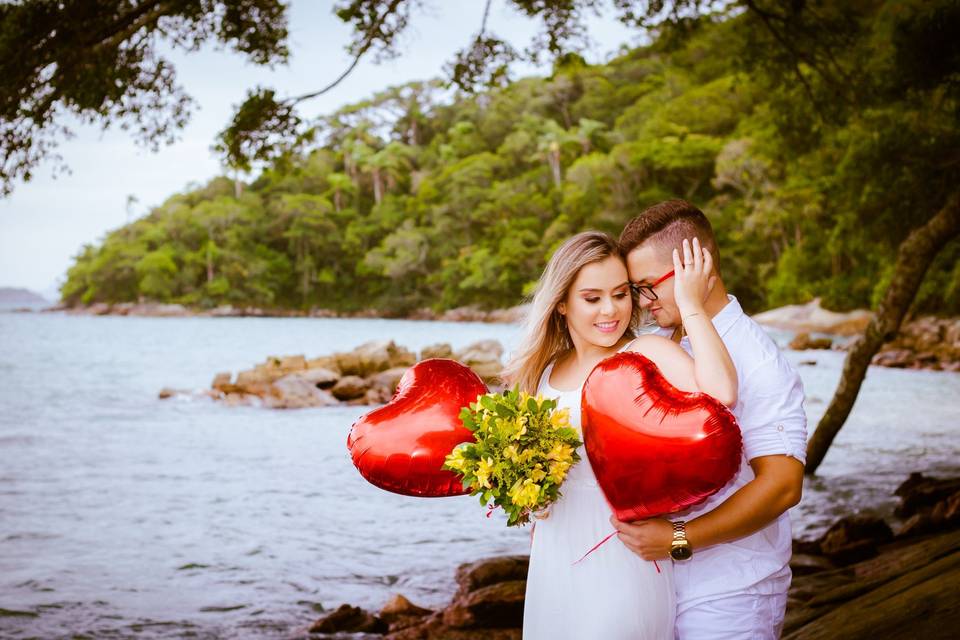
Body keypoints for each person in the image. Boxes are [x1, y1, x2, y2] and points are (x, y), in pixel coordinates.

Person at [503, 230, 739, 640]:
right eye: (592, 298)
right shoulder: (542, 374)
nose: (610, 310)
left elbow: (722, 395)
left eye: (620, 294)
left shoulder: (646, 354)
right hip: (552, 561)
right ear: (561, 304)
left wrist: (691, 306)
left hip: (625, 560)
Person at [613, 199, 807, 639]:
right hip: (656, 585)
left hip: (733, 591)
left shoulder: (758, 361)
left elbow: (782, 485)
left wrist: (680, 536)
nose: (642, 304)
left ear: (692, 268)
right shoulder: (658, 346)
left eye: (647, 286)